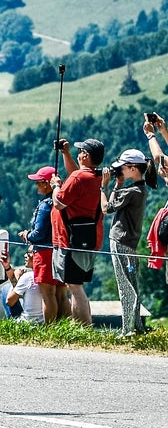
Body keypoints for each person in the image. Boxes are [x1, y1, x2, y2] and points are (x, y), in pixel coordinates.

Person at [52, 137, 105, 324]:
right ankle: (81, 327)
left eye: (80, 151)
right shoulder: (96, 176)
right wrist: (65, 153)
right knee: (75, 284)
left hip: (71, 238)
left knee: (74, 285)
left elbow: (58, 203)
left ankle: (84, 328)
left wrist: (56, 186)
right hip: (89, 236)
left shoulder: (78, 178)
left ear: (85, 155)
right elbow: (77, 176)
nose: (79, 153)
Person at [109, 135, 157, 337]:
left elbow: (107, 207)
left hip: (120, 241)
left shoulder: (131, 192)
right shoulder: (141, 189)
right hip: (129, 242)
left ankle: (127, 329)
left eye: (123, 167)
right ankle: (136, 326)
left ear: (133, 168)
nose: (120, 170)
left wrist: (109, 186)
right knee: (132, 283)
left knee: (125, 287)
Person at [23, 166, 64, 326]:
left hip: (44, 253)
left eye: (39, 182)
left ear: (47, 184)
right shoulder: (60, 202)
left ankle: (50, 329)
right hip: (59, 251)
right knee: (61, 294)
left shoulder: (45, 205)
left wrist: (27, 235)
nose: (36, 185)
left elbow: (38, 234)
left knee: (48, 294)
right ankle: (63, 326)